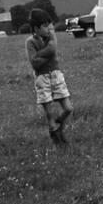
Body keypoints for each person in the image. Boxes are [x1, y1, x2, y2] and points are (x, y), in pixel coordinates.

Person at [25, 8, 73, 144]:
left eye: (49, 25)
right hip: (42, 78)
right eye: (45, 26)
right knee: (49, 111)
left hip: (56, 75)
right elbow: (35, 64)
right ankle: (55, 133)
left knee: (69, 108)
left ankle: (60, 124)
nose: (49, 28)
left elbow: (51, 50)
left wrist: (40, 55)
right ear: (36, 28)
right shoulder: (30, 42)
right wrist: (48, 55)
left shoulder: (51, 36)